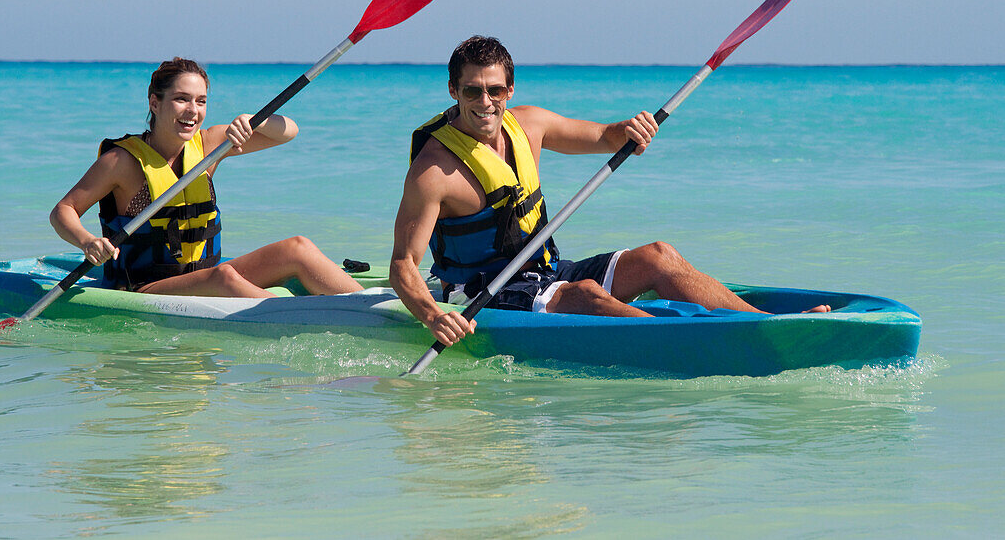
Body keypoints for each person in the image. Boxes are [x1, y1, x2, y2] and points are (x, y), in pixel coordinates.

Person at [390, 36, 828, 346]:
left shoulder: (529, 123)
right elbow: (403, 265)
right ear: (454, 90)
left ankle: (768, 326)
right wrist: (432, 317)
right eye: (472, 90)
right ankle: (695, 344)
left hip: (541, 271)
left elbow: (602, 136)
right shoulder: (434, 170)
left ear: (510, 89)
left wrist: (628, 129)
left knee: (659, 255)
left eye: (495, 89)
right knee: (586, 296)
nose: (485, 102)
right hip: (479, 290)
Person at [50, 57, 362, 298]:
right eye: (181, 99)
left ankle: (378, 307)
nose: (193, 110)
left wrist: (258, 122)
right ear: (154, 103)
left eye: (201, 101)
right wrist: (87, 241)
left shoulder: (211, 144)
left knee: (298, 247)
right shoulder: (122, 161)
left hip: (203, 273)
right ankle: (309, 319)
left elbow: (289, 132)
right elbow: (63, 211)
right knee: (224, 278)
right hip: (145, 287)